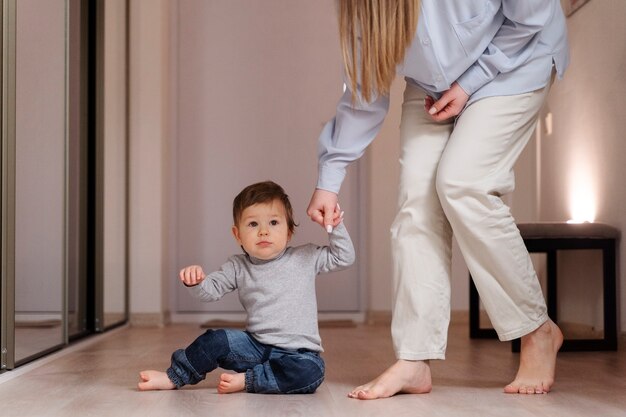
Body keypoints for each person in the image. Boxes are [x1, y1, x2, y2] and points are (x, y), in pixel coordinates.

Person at [307, 0, 569, 398]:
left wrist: (469, 84)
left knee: (463, 182)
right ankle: (414, 358)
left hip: (517, 57)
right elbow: (364, 88)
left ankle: (537, 330)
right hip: (432, 83)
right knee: (416, 202)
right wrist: (329, 178)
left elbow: (530, 16)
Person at [138, 181, 355, 394]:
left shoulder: (305, 257)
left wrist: (335, 227)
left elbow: (344, 257)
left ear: (289, 231)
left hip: (298, 355)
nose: (263, 231)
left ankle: (250, 380)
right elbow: (210, 291)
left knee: (312, 372)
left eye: (273, 223)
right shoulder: (237, 266)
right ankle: (174, 376)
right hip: (254, 348)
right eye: (253, 224)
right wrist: (196, 282)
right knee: (215, 340)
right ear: (237, 234)